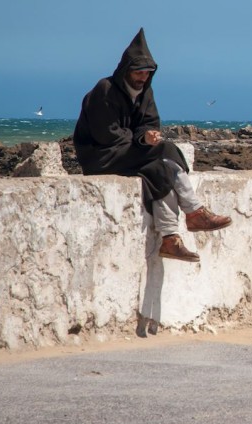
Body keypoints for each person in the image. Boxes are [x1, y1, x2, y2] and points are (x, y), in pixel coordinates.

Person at [73, 27, 231, 263]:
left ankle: (170, 239)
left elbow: (149, 123)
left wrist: (147, 135)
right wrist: (141, 141)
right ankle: (195, 212)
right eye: (139, 73)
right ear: (127, 70)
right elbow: (106, 134)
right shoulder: (104, 90)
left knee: (161, 170)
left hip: (127, 153)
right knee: (167, 150)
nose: (143, 78)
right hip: (101, 156)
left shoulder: (145, 92)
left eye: (147, 73)